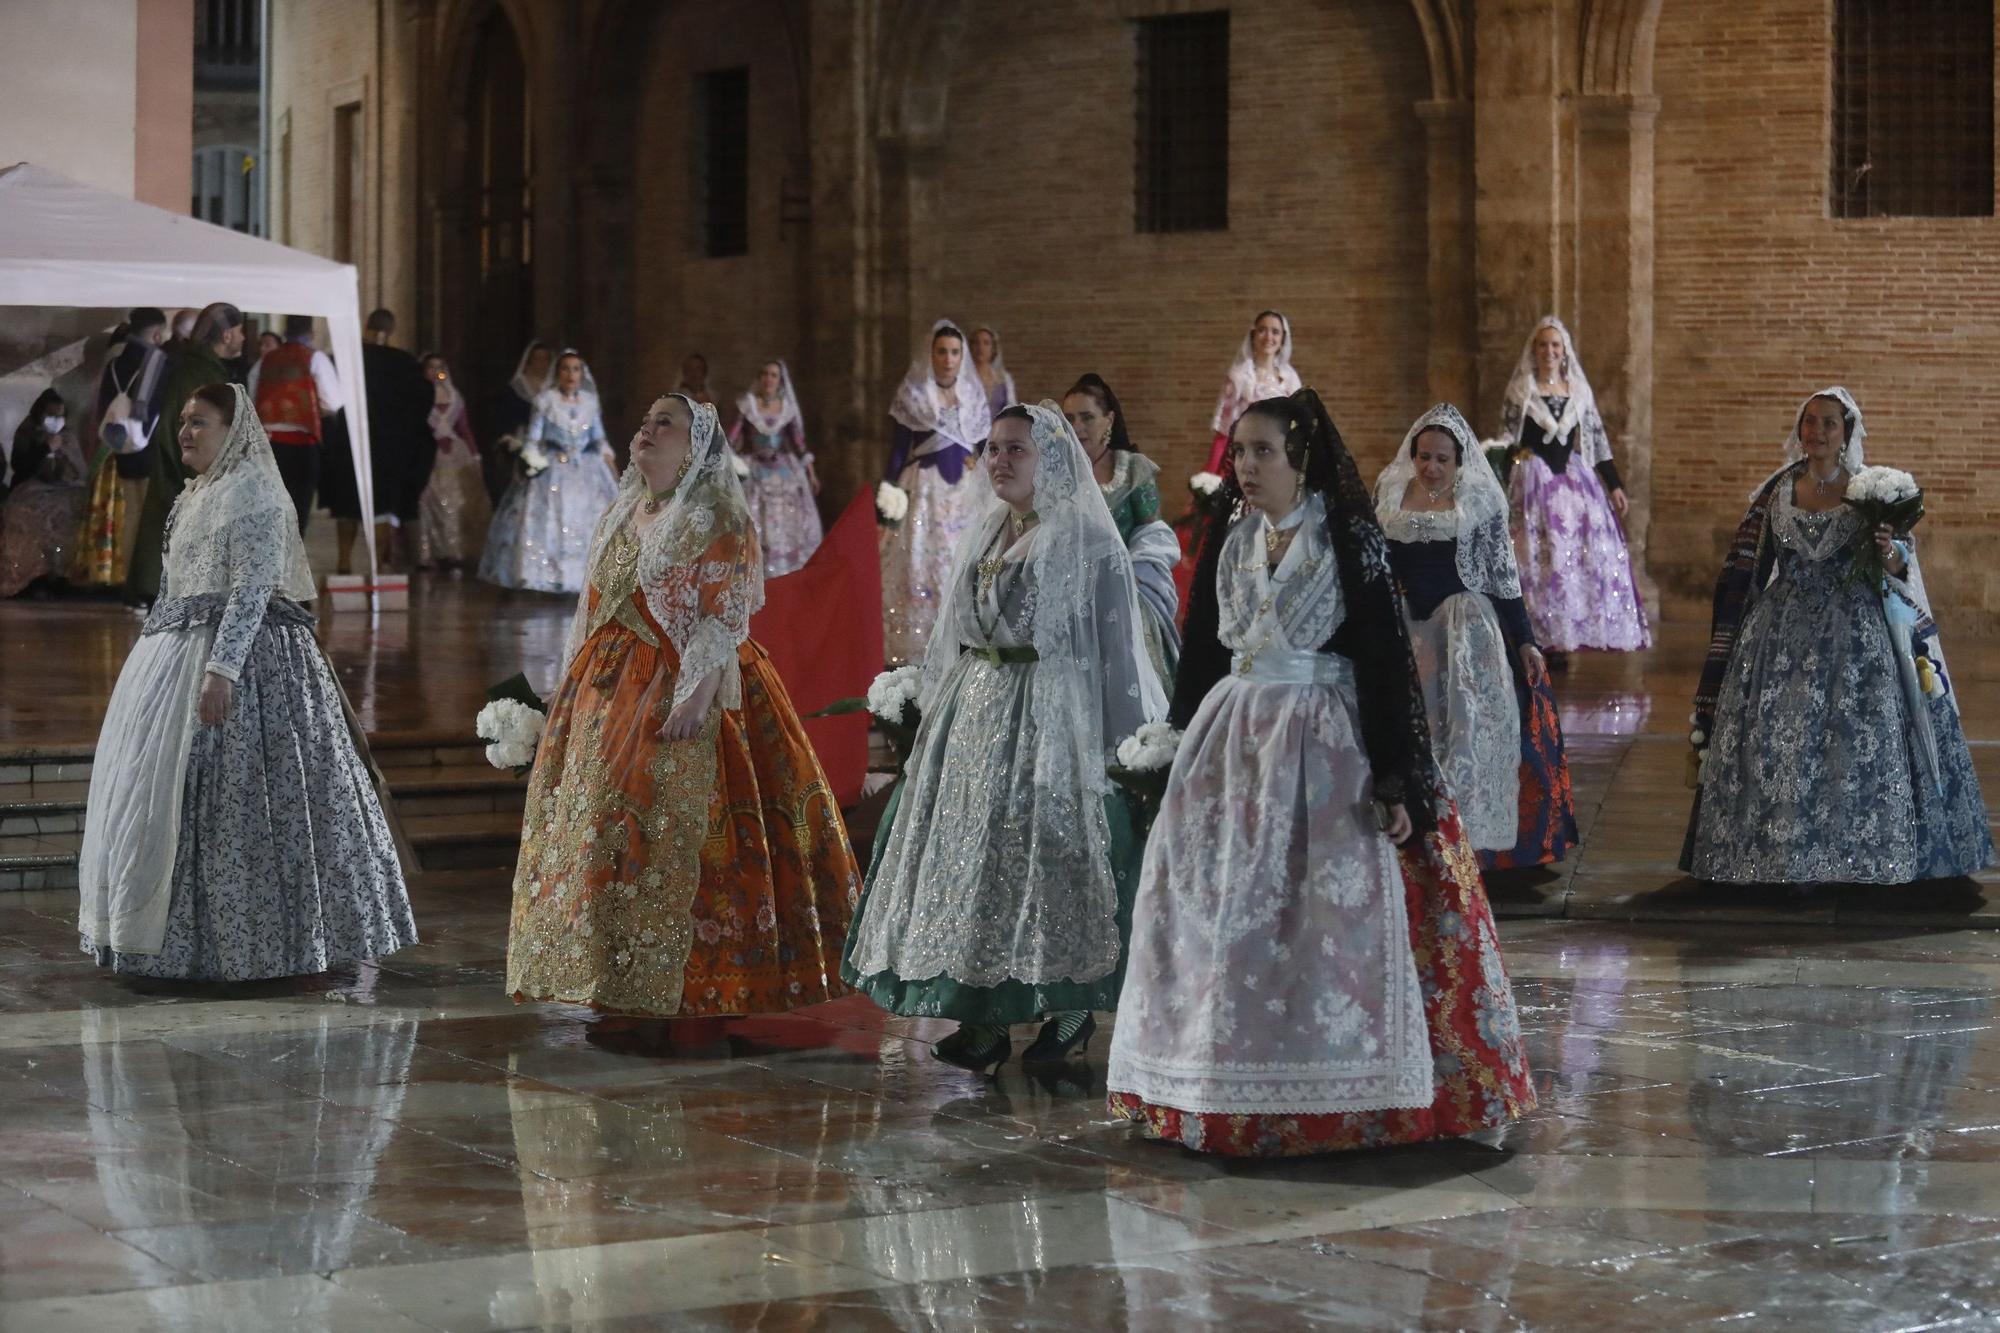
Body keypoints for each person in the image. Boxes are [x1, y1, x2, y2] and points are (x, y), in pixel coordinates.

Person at [1108, 388, 1535, 1157]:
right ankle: (1209, 1085)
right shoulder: (1231, 541)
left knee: (1327, 914)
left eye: (1263, 450)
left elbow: (1384, 657)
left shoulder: (1349, 539)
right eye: (1239, 451)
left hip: (1325, 741)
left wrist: (1398, 775)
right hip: (1232, 745)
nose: (1245, 465)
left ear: (1302, 461)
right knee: (1218, 916)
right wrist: (1172, 746)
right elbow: (1203, 649)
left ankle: (1347, 1093)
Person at [506, 393, 858, 1018]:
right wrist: (567, 689)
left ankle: (701, 983)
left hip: (686, 685)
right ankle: (609, 972)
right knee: (599, 827)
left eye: (662, 422)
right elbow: (591, 606)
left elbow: (722, 619)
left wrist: (696, 696)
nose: (646, 429)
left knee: (678, 830)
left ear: (694, 445)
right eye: (644, 420)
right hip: (606, 687)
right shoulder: (622, 510)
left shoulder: (714, 514)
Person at [844, 400, 1167, 1073]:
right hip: (975, 712)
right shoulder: (987, 528)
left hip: (1052, 712)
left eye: (1016, 449)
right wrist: (927, 706)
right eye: (993, 448)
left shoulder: (1086, 537)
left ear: (1051, 458)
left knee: (1047, 856)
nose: (1000, 460)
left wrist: (1126, 746)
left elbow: (1116, 648)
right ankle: (983, 1016)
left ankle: (1070, 1008)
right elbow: (953, 633)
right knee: (977, 860)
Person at [77, 383, 416, 981]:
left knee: (246, 799)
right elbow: (172, 586)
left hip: (247, 663)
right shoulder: (191, 496)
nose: (185, 432)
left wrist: (221, 670)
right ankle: (161, 942)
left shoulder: (255, 493)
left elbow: (253, 589)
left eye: (199, 422)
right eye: (183, 421)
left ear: (232, 431)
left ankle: (263, 946)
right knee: (157, 797)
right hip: (172, 654)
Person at [1683, 388, 1993, 886]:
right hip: (1779, 636)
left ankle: (1855, 853)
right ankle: (1778, 856)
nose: (1818, 432)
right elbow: (1752, 566)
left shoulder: (1868, 490)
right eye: (1810, 422)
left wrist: (1889, 550)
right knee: (1780, 742)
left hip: (1855, 638)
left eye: (1829, 423)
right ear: (1799, 429)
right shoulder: (1777, 491)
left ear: (1846, 432)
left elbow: (1899, 567)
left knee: (1849, 743)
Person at [1376, 404, 1576, 862]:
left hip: (1465, 629)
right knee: (1415, 730)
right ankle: (1416, 837)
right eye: (1424, 456)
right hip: (1411, 629)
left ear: (1458, 461)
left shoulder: (1479, 501)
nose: (1431, 467)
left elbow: (1503, 578)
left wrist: (1524, 638)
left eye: (1442, 459)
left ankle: (1468, 844)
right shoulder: (1390, 494)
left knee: (1466, 730)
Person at [1497, 315, 1650, 660]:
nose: (1549, 351)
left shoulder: (1578, 392)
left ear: (1564, 352)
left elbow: (1597, 443)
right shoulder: (1522, 392)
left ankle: (1564, 635)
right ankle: (1535, 635)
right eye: (1543, 345)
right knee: (1537, 558)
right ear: (1534, 350)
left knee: (1571, 560)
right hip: (1532, 480)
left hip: (1572, 484)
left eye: (1555, 345)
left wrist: (1614, 486)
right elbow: (1508, 442)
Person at [879, 319, 993, 664]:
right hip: (925, 489)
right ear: (931, 354)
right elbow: (899, 448)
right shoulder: (914, 394)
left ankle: (964, 636)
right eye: (942, 351)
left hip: (963, 493)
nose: (948, 358)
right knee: (921, 561)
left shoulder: (973, 395)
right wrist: (889, 489)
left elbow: (984, 445)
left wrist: (989, 478)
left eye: (955, 352)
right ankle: (920, 644)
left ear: (962, 357)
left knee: (964, 557)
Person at [1063, 372, 1180, 683]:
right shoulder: (1054, 474)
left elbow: (1152, 533)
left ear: (1109, 419)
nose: (1076, 427)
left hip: (1123, 586)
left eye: (1087, 417)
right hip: (1066, 587)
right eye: (1069, 418)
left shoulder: (1132, 470)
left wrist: (1129, 576)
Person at [126, 302, 245, 606]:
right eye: (241, 331)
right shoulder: (198, 374)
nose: (245, 338)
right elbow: (193, 433)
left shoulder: (200, 368)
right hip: (188, 481)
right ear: (228, 335)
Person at [478, 349, 620, 593]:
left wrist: (613, 471)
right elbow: (534, 439)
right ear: (557, 373)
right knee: (550, 521)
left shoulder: (589, 402)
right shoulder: (546, 401)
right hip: (553, 468)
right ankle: (548, 576)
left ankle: (585, 577)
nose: (571, 374)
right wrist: (530, 464)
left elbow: (599, 440)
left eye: (576, 369)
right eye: (565, 369)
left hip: (586, 471)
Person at [76, 308, 171, 588]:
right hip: (151, 449)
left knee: (131, 517)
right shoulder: (158, 362)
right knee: (153, 520)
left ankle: (130, 582)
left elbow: (102, 407)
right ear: (156, 334)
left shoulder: (114, 365)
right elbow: (163, 409)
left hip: (122, 448)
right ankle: (148, 585)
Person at [246, 314, 345, 533]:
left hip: (269, 444)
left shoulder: (266, 360)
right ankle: (292, 556)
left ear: (284, 332)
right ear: (311, 333)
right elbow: (333, 401)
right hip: (303, 443)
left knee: (269, 505)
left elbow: (252, 396)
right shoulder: (315, 358)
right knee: (298, 505)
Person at [726, 359, 822, 576]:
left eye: (773, 375)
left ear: (780, 380)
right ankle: (758, 565)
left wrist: (812, 474)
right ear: (760, 378)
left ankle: (785, 565)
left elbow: (799, 443)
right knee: (754, 513)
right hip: (756, 467)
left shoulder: (787, 408)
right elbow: (731, 438)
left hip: (783, 469)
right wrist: (732, 463)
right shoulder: (748, 404)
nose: (768, 379)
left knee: (787, 512)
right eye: (765, 374)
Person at [359, 308, 438, 571]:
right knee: (403, 502)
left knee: (362, 503)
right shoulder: (405, 362)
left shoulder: (353, 359)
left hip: (363, 443)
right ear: (391, 331)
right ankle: (407, 559)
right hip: (400, 445)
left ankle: (355, 561)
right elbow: (425, 397)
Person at [0, 389, 88, 596]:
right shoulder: (27, 432)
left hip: (64, 490)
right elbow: (20, 466)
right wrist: (45, 448)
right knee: (27, 515)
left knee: (75, 512)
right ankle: (32, 576)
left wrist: (62, 459)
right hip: (31, 488)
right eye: (51, 416)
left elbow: (79, 470)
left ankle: (63, 576)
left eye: (60, 416)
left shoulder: (67, 436)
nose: (55, 421)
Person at [415, 354, 492, 570]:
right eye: (430, 367)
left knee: (454, 503)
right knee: (428, 502)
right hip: (428, 456)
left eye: (439, 367)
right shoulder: (418, 395)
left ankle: (453, 551)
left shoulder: (454, 396)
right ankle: (427, 552)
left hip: (453, 456)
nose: (435, 371)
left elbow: (464, 428)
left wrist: (475, 454)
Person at [1201, 310, 1300, 473]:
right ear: (1253, 335)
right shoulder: (1238, 377)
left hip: (1282, 463)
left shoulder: (1290, 379)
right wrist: (1210, 473)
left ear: (1283, 338)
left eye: (1275, 332)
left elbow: (1299, 427)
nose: (1269, 337)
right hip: (1244, 461)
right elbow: (1224, 431)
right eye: (1262, 330)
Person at [485, 340, 551, 502]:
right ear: (529, 361)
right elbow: (507, 417)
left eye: (545, 359)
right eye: (537, 358)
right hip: (524, 438)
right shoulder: (517, 387)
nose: (541, 363)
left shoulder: (554, 388)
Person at [969, 326, 1017, 423]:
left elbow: (1011, 410)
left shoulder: (1003, 379)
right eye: (976, 343)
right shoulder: (962, 378)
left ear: (993, 348)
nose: (980, 347)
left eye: (986, 343)